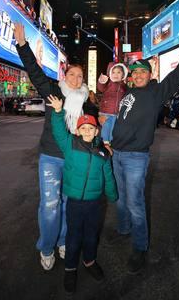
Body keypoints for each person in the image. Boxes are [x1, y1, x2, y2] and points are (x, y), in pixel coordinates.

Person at [109, 13, 179, 274]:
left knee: (135, 203)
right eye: (135, 72)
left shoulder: (155, 92)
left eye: (143, 72)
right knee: (119, 198)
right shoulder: (127, 94)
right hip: (116, 153)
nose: (139, 75)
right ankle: (124, 228)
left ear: (150, 77)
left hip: (136, 157)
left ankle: (140, 247)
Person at [14, 23, 89, 271]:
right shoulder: (53, 92)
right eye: (72, 75)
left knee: (69, 204)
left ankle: (63, 241)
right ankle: (46, 247)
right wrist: (23, 44)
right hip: (50, 157)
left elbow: (94, 129)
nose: (76, 79)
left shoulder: (87, 102)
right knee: (50, 204)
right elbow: (34, 72)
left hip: (73, 159)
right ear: (64, 76)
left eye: (80, 76)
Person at [47, 95, 118, 294]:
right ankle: (70, 268)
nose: (87, 131)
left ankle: (89, 261)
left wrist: (112, 195)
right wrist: (58, 112)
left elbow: (108, 176)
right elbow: (59, 132)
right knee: (73, 235)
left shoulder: (103, 153)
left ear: (97, 130)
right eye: (83, 128)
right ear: (77, 131)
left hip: (95, 203)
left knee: (91, 235)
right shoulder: (70, 145)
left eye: (91, 128)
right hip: (75, 203)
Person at [97, 62, 128, 151]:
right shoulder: (108, 83)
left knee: (113, 130)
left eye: (119, 72)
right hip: (106, 112)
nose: (116, 75)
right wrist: (102, 81)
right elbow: (101, 87)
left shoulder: (124, 86)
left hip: (117, 114)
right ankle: (104, 142)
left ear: (123, 75)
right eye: (113, 72)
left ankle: (110, 143)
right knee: (106, 127)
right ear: (110, 73)